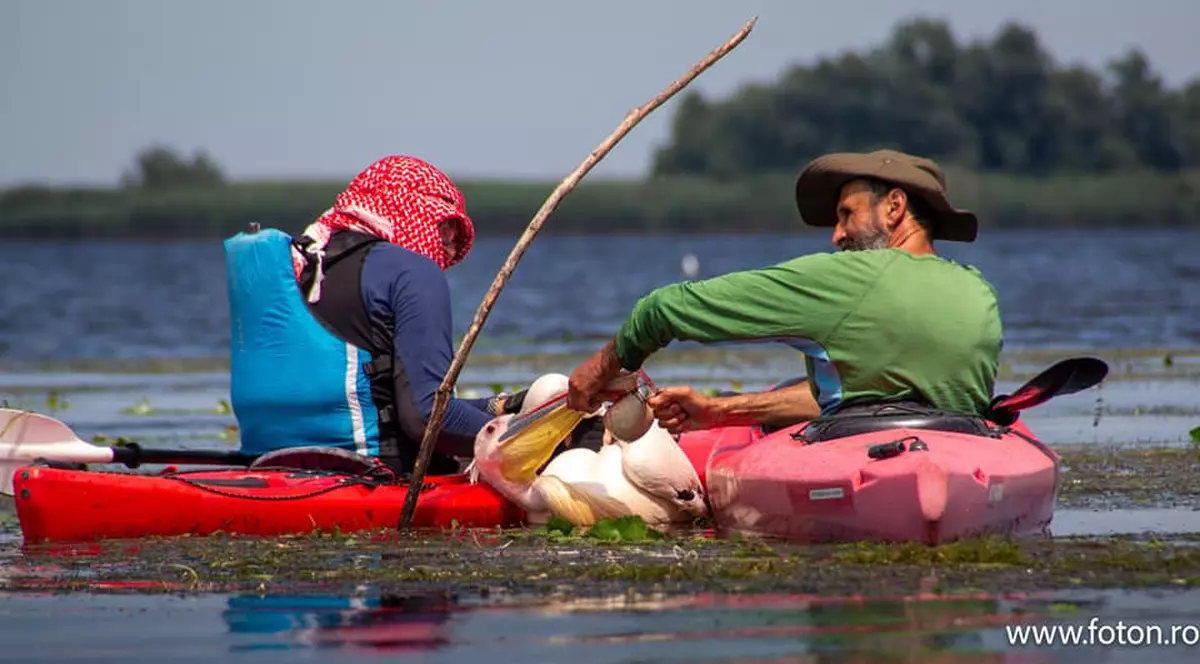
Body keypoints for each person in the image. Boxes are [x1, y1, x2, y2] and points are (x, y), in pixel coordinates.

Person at [566, 149, 1003, 434]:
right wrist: (719, 411)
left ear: (894, 207)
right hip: (963, 449)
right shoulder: (979, 291)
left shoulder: (846, 278)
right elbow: (883, 397)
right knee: (806, 381)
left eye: (846, 214)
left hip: (860, 457)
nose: (836, 235)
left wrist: (600, 368)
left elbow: (665, 310)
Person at [224, 155, 540, 475]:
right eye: (445, 228)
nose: (447, 248)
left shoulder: (300, 267)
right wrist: (540, 440)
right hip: (373, 473)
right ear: (414, 213)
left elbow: (388, 398)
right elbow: (427, 417)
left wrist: (502, 407)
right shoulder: (411, 273)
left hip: (266, 466)